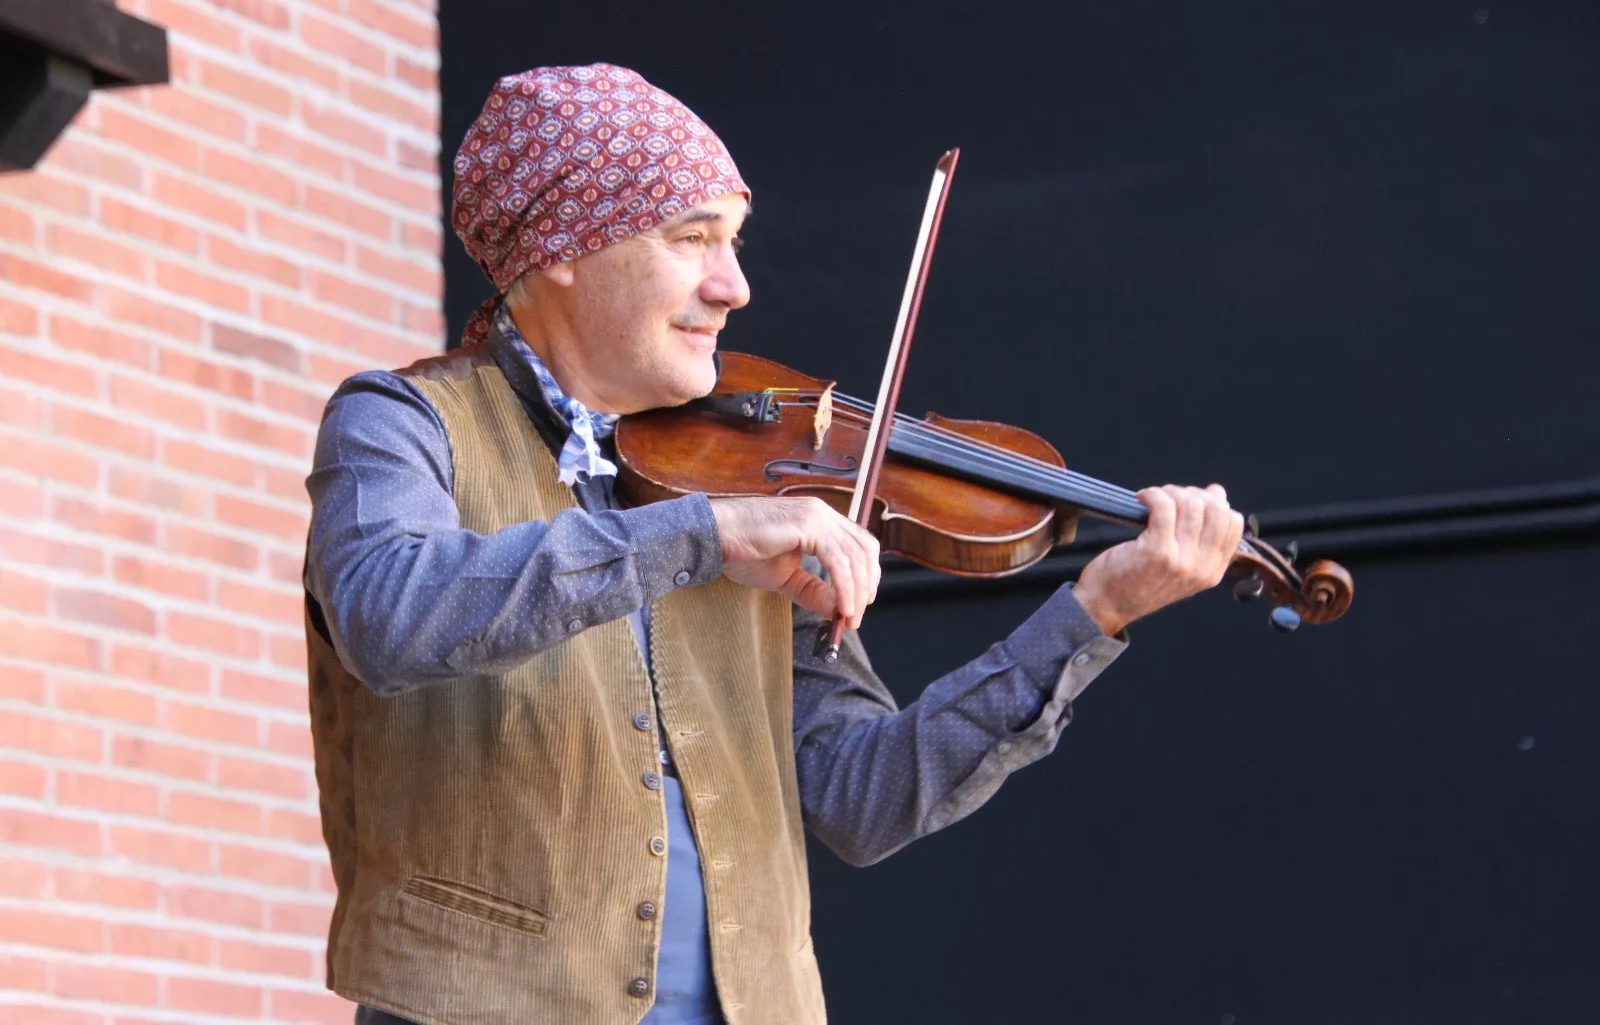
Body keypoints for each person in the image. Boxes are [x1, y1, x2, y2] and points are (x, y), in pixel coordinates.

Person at [304, 63, 1246, 1025]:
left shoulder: (748, 478)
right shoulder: (401, 423)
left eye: (734, 241)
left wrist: (1091, 614)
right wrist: (705, 533)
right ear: (563, 249)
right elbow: (389, 613)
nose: (734, 286)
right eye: (691, 238)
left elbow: (858, 801)